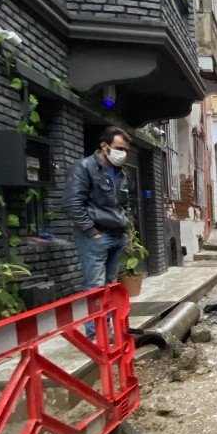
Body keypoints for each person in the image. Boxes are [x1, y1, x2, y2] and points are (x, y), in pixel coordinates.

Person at [63, 126, 132, 338]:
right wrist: (91, 231)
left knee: (110, 285)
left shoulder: (120, 173)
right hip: (96, 236)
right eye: (119, 148)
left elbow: (123, 204)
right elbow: (73, 203)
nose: (123, 153)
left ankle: (107, 328)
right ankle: (94, 334)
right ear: (104, 145)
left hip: (117, 235)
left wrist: (125, 232)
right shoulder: (84, 168)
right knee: (95, 286)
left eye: (125, 149)